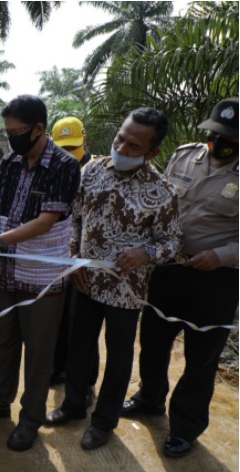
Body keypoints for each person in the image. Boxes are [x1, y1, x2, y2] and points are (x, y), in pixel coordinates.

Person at [45, 108, 181, 451]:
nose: (122, 147)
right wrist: (74, 258)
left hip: (126, 291)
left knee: (119, 358)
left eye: (134, 146)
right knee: (79, 347)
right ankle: (74, 405)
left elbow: (172, 243)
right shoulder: (92, 170)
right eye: (121, 137)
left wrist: (143, 254)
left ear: (152, 152)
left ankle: (104, 421)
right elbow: (75, 218)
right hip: (84, 282)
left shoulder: (162, 192)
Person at [0, 95, 81, 452]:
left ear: (39, 128)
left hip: (41, 279)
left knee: (39, 352)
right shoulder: (10, 163)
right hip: (6, 272)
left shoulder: (64, 166)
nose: (12, 138)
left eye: (17, 132)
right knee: (3, 343)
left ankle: (30, 419)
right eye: (8, 131)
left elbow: (45, 222)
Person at [121, 98, 239, 458]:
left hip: (215, 281)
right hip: (168, 270)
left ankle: (185, 427)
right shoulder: (185, 156)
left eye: (230, 136)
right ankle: (150, 398)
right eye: (216, 134)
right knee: (154, 341)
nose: (220, 142)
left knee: (201, 358)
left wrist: (220, 256)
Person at [49, 116, 98, 404]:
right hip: (55, 257)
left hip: (84, 260)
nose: (69, 154)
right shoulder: (53, 169)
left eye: (73, 147)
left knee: (84, 325)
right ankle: (58, 368)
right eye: (62, 148)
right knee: (57, 318)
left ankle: (85, 381)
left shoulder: (95, 171)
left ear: (84, 139)